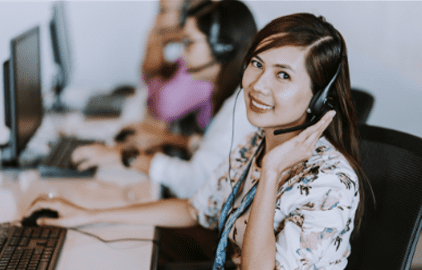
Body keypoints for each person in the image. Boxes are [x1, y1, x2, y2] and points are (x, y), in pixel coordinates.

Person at [27, 13, 368, 269]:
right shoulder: (258, 143)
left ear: (319, 98)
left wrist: (272, 172)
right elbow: (196, 208)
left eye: (283, 75)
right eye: (257, 64)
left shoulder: (329, 183)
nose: (258, 85)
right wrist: (86, 214)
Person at [71, 0, 258, 198]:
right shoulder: (228, 92)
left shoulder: (237, 110)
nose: (182, 55)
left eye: (189, 44)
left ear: (222, 48)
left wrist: (124, 156)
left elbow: (193, 183)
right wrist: (163, 138)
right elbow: (213, 149)